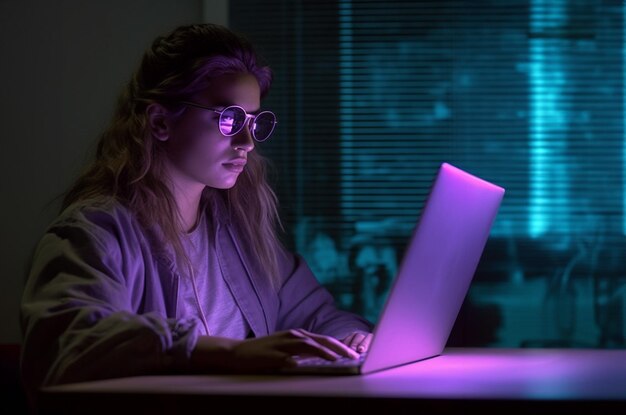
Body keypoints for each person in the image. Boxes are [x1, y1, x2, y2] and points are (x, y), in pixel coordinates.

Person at [20, 23, 373, 403]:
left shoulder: (238, 231)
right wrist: (229, 354)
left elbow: (321, 315)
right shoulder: (94, 234)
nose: (247, 143)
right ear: (159, 122)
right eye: (230, 119)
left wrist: (351, 339)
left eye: (254, 122)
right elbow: (64, 345)